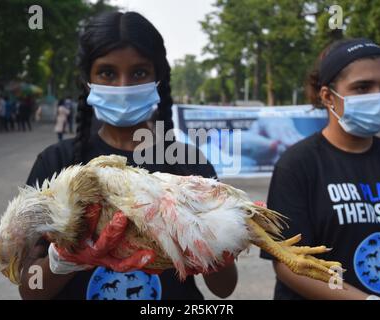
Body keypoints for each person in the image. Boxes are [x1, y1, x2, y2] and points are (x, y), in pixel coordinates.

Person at [19, 11, 237, 300]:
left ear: (158, 78)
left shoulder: (189, 167)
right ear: (87, 80)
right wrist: (65, 259)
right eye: (107, 73)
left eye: (139, 73)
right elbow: (30, 290)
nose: (123, 87)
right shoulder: (55, 165)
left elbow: (225, 288)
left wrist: (205, 238)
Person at [260, 38, 380, 300]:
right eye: (362, 88)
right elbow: (289, 264)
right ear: (328, 96)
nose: (379, 96)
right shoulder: (297, 166)